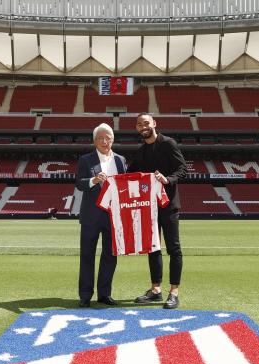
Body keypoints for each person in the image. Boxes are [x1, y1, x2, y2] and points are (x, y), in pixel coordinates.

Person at [127, 113, 188, 309]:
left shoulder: (168, 143)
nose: (143, 126)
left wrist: (167, 179)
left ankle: (174, 292)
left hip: (168, 205)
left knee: (173, 248)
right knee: (153, 248)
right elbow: (129, 173)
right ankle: (155, 290)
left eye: (146, 122)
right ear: (137, 128)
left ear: (154, 123)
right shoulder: (141, 151)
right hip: (149, 207)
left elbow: (182, 169)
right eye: (139, 124)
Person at [75, 123, 126, 308]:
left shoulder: (121, 160)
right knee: (87, 255)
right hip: (91, 216)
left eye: (108, 138)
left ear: (113, 139)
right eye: (101, 138)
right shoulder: (85, 160)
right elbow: (79, 183)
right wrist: (94, 180)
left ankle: (105, 294)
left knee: (110, 256)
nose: (105, 141)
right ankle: (85, 295)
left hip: (114, 216)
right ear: (94, 141)